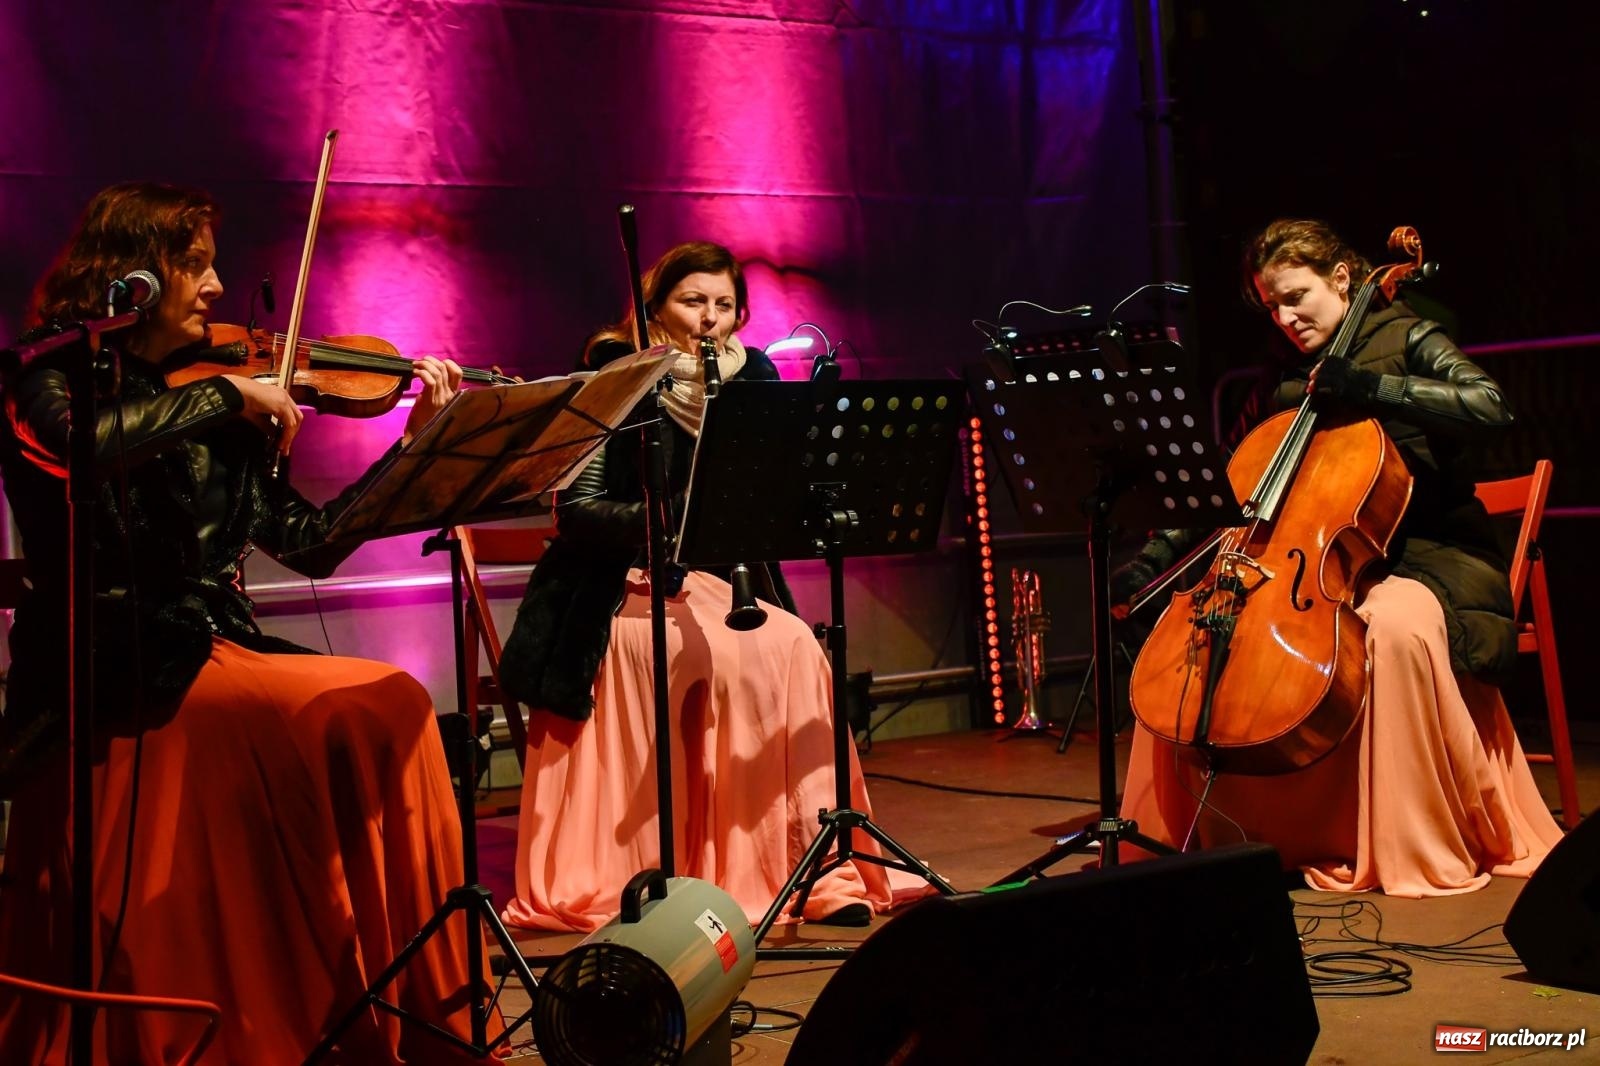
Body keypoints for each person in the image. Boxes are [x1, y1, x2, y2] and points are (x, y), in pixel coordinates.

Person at [0, 182, 498, 1063]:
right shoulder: (45, 376)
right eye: (194, 263)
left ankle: (389, 1003)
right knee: (369, 703)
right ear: (131, 275)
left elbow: (308, 544)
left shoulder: (219, 395)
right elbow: (79, 447)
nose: (219, 285)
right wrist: (231, 399)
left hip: (209, 646)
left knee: (390, 704)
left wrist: (417, 452)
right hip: (112, 667)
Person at [1114, 218, 1564, 897]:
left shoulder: (1406, 333)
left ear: (1343, 278)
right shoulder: (1281, 381)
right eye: (1273, 307)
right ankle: (1220, 834)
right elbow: (1233, 487)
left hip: (1425, 554)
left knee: (1397, 631)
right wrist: (1158, 557)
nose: (1286, 318)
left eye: (1297, 297)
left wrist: (1377, 390)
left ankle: (1401, 835)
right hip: (1311, 563)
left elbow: (1489, 405)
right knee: (1194, 643)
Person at [497, 240, 927, 932]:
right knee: (718, 657)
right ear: (656, 306)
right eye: (693, 301)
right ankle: (696, 871)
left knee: (791, 645)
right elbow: (579, 513)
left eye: (724, 305)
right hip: (618, 582)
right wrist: (678, 523)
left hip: (722, 581)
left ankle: (809, 868)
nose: (710, 319)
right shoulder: (615, 371)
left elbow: (778, 493)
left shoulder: (751, 377)